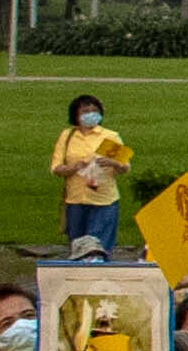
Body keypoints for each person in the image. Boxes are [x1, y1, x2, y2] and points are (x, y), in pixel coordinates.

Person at [46, 96, 131, 262]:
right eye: (85, 111)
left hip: (103, 200)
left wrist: (112, 162)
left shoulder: (109, 136)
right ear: (76, 115)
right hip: (76, 199)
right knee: (78, 249)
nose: (91, 114)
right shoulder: (67, 136)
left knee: (98, 250)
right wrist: (75, 167)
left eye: (94, 111)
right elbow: (56, 168)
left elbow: (125, 168)